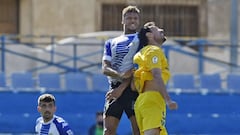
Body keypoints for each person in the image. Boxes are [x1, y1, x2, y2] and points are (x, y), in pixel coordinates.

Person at [131, 22, 178, 135]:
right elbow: (156, 75)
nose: (161, 30)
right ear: (149, 35)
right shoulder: (153, 51)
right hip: (153, 98)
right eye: (157, 29)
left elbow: (133, 85)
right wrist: (168, 100)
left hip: (141, 100)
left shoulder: (139, 55)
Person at [102, 5, 141, 135]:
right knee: (108, 131)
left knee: (138, 130)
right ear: (122, 20)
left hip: (133, 89)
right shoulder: (111, 42)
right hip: (114, 88)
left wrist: (121, 88)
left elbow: (137, 68)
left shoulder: (141, 40)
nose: (132, 21)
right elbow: (105, 68)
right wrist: (119, 76)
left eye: (135, 18)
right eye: (129, 18)